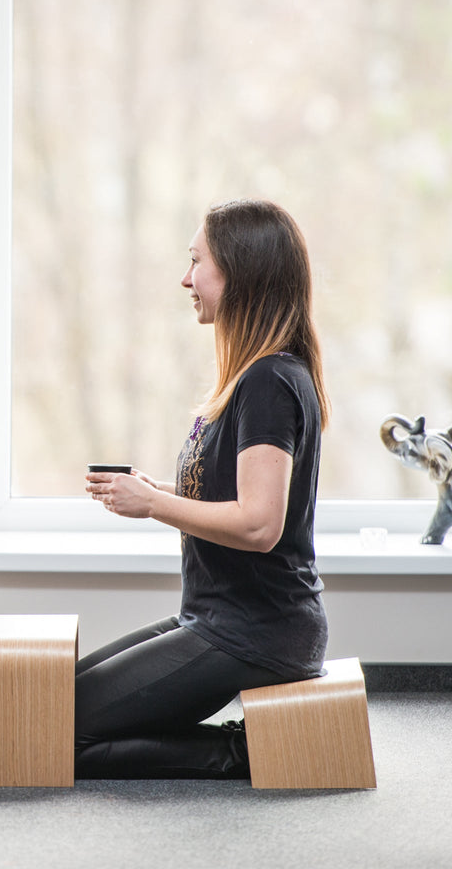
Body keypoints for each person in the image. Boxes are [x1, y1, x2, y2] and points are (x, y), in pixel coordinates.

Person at [80, 198, 330, 779]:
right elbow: (235, 496)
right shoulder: (252, 376)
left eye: (197, 262)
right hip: (214, 619)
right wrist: (155, 489)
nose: (185, 278)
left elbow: (260, 526)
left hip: (256, 634)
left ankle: (243, 753)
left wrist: (155, 505)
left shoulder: (270, 379)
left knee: (58, 734)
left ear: (239, 274)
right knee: (53, 705)